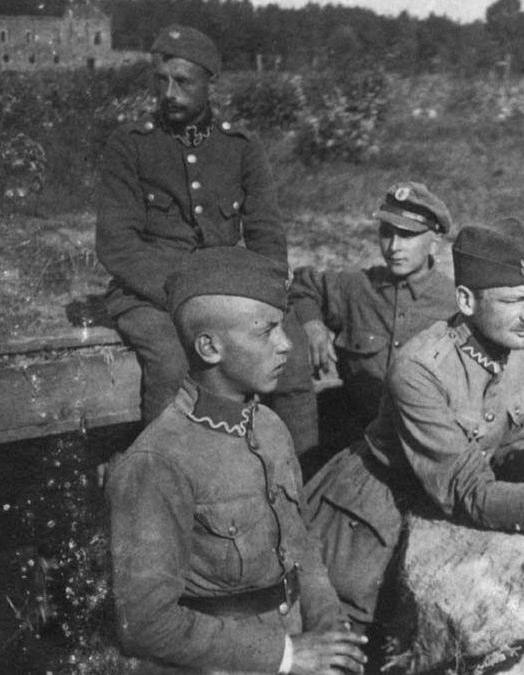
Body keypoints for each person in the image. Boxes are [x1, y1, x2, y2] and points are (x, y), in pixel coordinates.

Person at [300, 220, 524, 631]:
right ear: (466, 300)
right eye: (514, 301)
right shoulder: (420, 370)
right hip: (368, 518)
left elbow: (514, 446)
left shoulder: (514, 342)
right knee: (353, 636)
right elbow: (468, 492)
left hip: (445, 502)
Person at [106, 247, 366, 675]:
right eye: (266, 332)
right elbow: (144, 623)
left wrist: (329, 626)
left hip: (297, 644)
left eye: (282, 327)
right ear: (210, 347)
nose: (286, 344)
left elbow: (301, 547)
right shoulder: (157, 462)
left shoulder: (270, 427)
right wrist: (286, 655)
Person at [95, 25, 318, 456]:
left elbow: (266, 235)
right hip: (151, 295)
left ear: (209, 83)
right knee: (172, 362)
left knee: (289, 355)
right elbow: (117, 244)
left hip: (228, 286)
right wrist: (184, 296)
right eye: (161, 81)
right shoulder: (130, 145)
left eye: (183, 82)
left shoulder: (241, 147)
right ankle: (167, 476)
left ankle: (299, 478)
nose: (170, 93)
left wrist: (265, 297)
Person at [289, 182, 457, 459]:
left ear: (434, 243)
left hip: (425, 443)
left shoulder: (454, 305)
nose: (394, 247)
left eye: (407, 235)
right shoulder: (358, 287)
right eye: (386, 233)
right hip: (358, 435)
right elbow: (302, 287)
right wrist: (313, 326)